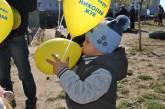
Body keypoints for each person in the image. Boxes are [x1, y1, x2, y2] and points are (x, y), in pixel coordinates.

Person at [47, 15, 130, 109]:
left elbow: (82, 95)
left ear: (100, 48)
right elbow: (80, 75)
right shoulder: (89, 59)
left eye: (87, 41)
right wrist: (67, 69)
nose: (82, 43)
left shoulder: (104, 73)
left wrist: (63, 73)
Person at [0, 0, 37, 109]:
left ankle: (31, 103)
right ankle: (8, 104)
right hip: (1, 38)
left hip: (18, 36)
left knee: (24, 73)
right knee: (3, 76)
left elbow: (31, 6)